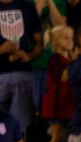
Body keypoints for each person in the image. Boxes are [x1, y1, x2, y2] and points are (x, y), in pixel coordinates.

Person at [0, 0, 42, 134]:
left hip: (23, 74)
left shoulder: (27, 7)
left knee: (20, 128)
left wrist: (29, 55)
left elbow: (39, 43)